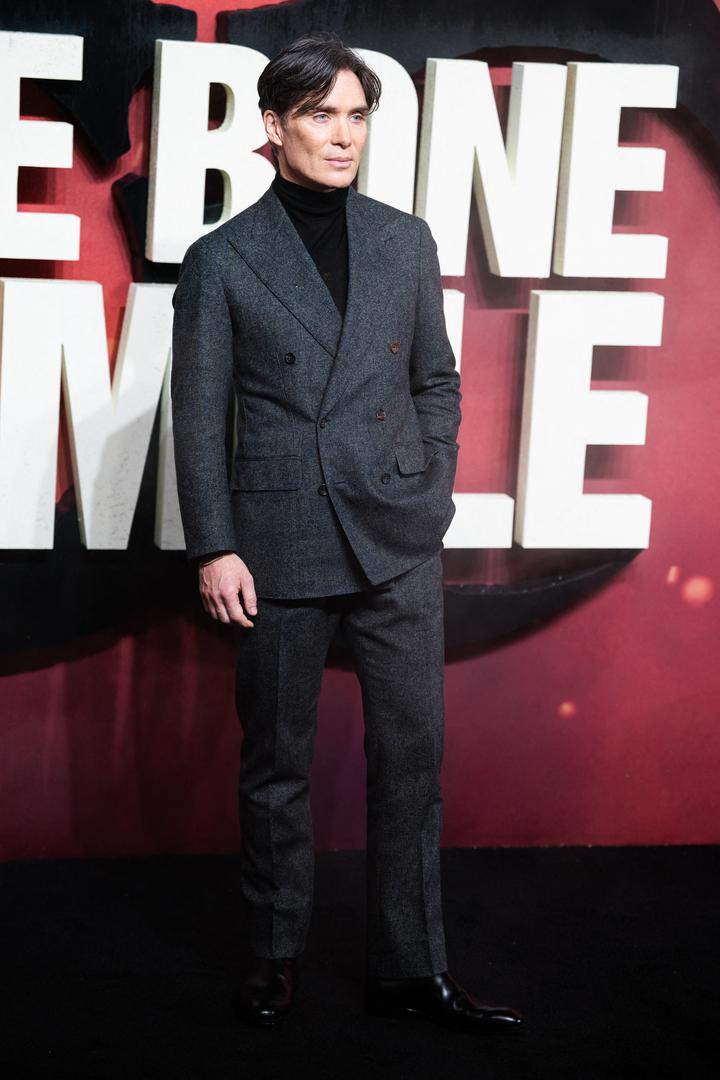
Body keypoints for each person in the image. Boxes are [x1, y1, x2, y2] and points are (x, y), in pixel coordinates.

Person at [171, 31, 523, 1035]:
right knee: (276, 764)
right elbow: (199, 415)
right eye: (320, 114)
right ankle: (275, 959)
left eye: (357, 115)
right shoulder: (223, 260)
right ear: (276, 127)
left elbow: (437, 381)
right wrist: (214, 543)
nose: (342, 134)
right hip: (278, 540)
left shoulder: (404, 239)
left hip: (398, 536)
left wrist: (431, 484)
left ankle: (411, 969)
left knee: (412, 757)